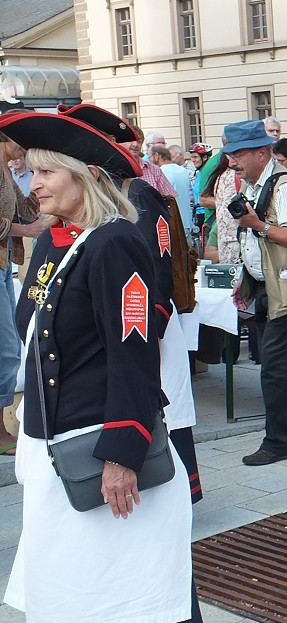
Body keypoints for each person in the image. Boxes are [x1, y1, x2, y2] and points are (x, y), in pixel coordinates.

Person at [0, 111, 215, 623]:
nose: (34, 184)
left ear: (86, 175)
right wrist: (21, 400)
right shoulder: (52, 242)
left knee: (122, 587)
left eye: (46, 172)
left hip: (99, 451)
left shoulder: (115, 243)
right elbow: (36, 334)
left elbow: (133, 356)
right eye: (29, 171)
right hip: (56, 446)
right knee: (73, 587)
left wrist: (122, 453)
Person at [59, 103, 205, 502]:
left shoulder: (137, 190)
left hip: (148, 321)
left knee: (168, 412)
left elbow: (159, 266)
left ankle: (179, 492)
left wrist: (148, 327)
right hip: (121, 325)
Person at [226, 119, 287, 466]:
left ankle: (278, 441)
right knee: (279, 363)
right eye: (229, 155)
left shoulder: (285, 187)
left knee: (274, 369)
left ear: (262, 152)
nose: (231, 162)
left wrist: (259, 226)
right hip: (271, 288)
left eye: (237, 155)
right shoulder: (255, 186)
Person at [0, 131, 45, 456]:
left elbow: (26, 209)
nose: (23, 145)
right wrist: (25, 231)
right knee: (7, 349)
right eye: (19, 139)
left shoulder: (5, 167)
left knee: (8, 347)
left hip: (4, 262)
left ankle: (2, 429)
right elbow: (24, 222)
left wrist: (44, 188)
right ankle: (1, 432)